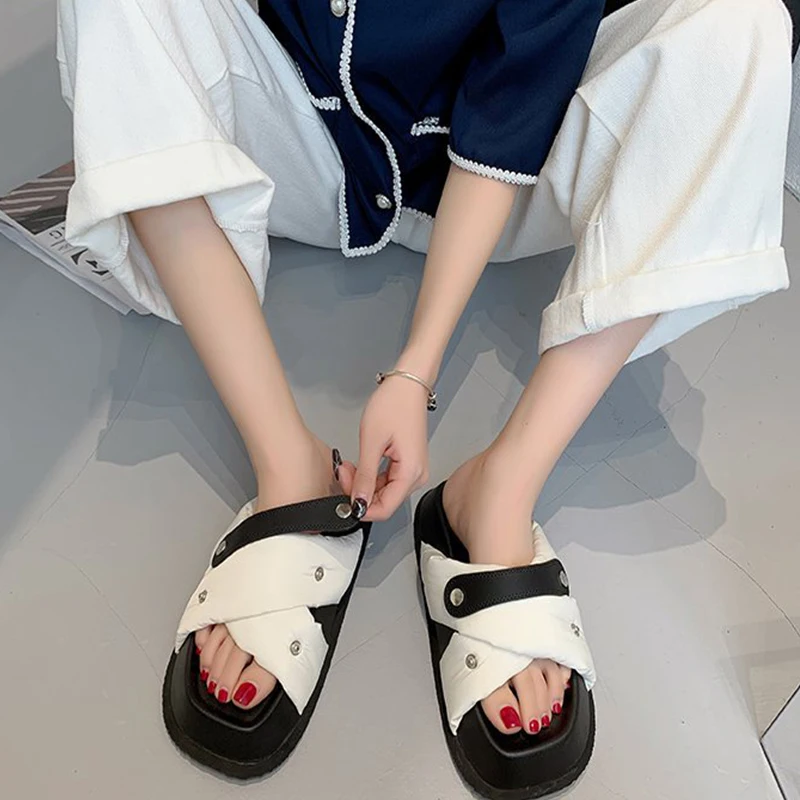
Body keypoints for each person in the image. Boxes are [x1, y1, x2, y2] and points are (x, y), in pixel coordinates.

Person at [57, 0, 794, 795]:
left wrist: (417, 367)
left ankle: (500, 491)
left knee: (739, 26)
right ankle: (288, 469)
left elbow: (521, 88)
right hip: (299, 144)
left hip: (513, 171)